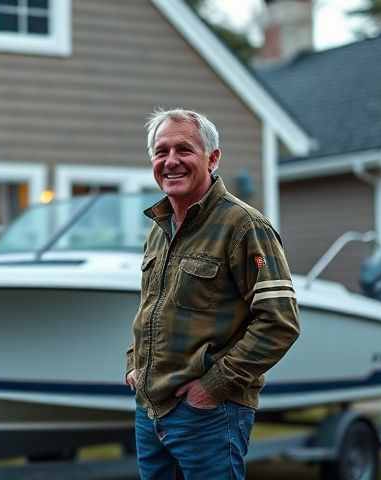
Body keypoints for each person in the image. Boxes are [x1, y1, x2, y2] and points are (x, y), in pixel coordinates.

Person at [124, 108, 300, 479]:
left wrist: (212, 388)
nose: (170, 161)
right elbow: (151, 308)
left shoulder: (244, 225)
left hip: (209, 415)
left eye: (184, 150)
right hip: (151, 409)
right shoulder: (159, 228)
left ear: (213, 158)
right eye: (161, 151)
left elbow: (279, 323)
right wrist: (133, 367)